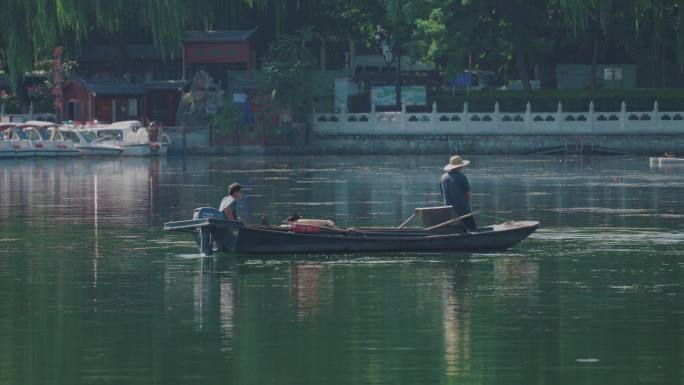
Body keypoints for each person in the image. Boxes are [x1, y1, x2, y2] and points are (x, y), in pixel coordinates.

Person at [440, 155, 477, 231]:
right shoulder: (462, 177)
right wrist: (469, 207)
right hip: (463, 210)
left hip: (449, 212)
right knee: (473, 229)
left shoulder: (443, 177)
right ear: (459, 166)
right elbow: (468, 194)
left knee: (454, 230)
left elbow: (443, 194)